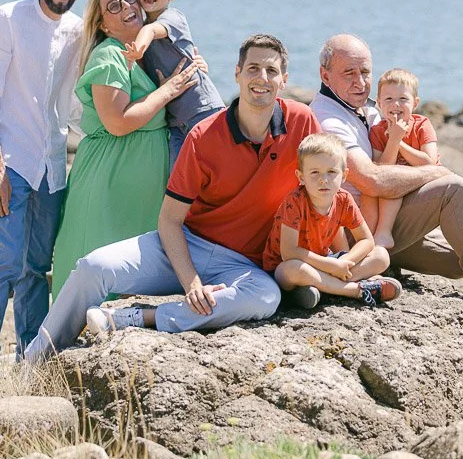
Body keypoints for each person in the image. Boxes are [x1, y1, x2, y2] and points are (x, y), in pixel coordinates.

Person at [24, 34, 321, 362]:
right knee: (92, 267)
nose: (262, 78)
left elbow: (326, 186)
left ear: (284, 80)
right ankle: (34, 362)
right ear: (236, 73)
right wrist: (191, 283)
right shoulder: (204, 136)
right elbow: (169, 220)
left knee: (265, 298)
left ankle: (135, 318)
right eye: (253, 68)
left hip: (243, 264)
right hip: (186, 245)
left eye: (271, 70)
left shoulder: (302, 123)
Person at [310, 34, 463, 316]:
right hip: (354, 239)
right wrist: (433, 171)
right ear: (325, 75)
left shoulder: (369, 107)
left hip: (387, 228)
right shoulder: (328, 119)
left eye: (365, 72)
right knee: (454, 188)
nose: (360, 82)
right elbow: (371, 179)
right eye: (349, 73)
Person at [0, 0, 89, 366]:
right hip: (10, 163)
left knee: (37, 268)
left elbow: (75, 107)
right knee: (3, 265)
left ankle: (29, 362)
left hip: (52, 168)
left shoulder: (78, 30)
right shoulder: (8, 19)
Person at [49, 0, 201, 298]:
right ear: (103, 24)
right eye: (113, 6)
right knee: (96, 269)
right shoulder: (109, 56)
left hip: (134, 191)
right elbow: (117, 122)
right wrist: (168, 90)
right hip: (107, 184)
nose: (128, 6)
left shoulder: (145, 52)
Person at [263, 133, 402, 308]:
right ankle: (355, 290)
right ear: (301, 176)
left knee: (381, 256)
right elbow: (289, 252)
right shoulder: (295, 202)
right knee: (293, 270)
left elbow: (366, 240)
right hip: (288, 266)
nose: (324, 179)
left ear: (344, 175)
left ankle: (323, 288)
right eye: (314, 172)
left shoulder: (344, 199)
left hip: (327, 263)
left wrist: (344, 263)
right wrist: (331, 265)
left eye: (331, 172)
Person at [124, 0, 225, 168]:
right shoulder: (138, 27)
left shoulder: (172, 18)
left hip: (202, 108)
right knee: (178, 181)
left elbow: (152, 30)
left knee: (214, 172)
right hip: (175, 121)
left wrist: (137, 50)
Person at [363, 68, 440, 249]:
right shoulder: (377, 131)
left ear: (415, 102)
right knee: (389, 181)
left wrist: (399, 141)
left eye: (403, 99)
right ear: (380, 104)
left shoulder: (422, 125)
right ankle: (378, 234)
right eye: (389, 99)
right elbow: (383, 168)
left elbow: (429, 163)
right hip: (395, 186)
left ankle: (383, 232)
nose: (396, 104)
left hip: (424, 183)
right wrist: (392, 140)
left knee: (396, 181)